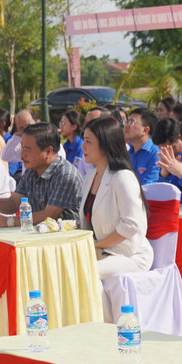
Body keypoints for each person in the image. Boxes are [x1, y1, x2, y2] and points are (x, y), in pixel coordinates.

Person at [74, 116, 153, 286]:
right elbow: (90, 219)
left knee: (84, 273)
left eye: (88, 142)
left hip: (129, 255)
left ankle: (103, 314)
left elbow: (131, 226)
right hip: (102, 251)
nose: (83, 147)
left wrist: (96, 244)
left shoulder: (122, 177)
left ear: (105, 145)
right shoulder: (90, 176)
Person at [0, 122, 84, 228]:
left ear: (48, 151)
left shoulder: (66, 175)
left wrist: (7, 221)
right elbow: (13, 203)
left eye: (27, 149)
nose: (21, 154)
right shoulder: (32, 170)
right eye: (22, 148)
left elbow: (48, 216)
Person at [124, 108, 162, 184]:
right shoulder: (127, 152)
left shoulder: (156, 155)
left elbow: (150, 186)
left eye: (131, 122)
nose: (126, 126)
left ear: (145, 130)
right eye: (126, 122)